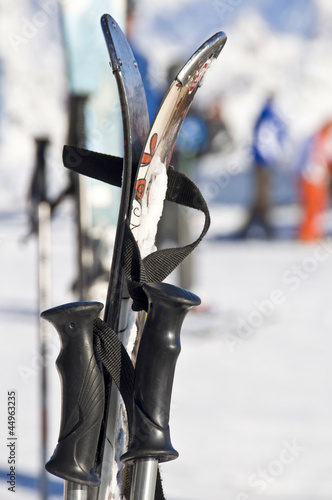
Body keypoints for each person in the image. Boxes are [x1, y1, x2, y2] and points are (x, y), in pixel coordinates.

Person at [243, 94, 287, 238]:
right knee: (263, 195)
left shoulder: (264, 114)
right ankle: (263, 227)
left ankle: (257, 226)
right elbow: (265, 138)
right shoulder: (269, 115)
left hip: (262, 161)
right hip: (264, 162)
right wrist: (269, 156)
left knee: (262, 195)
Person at [296, 119, 332, 241]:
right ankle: (308, 234)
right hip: (313, 177)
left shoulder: (316, 138)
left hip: (314, 177)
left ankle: (313, 233)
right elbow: (324, 158)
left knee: (317, 207)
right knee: (312, 207)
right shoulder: (322, 139)